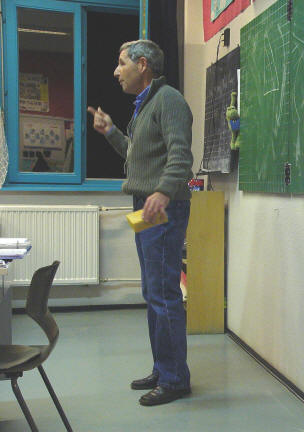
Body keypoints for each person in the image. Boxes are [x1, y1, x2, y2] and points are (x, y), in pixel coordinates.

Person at [88, 39, 193, 406]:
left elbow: (181, 155)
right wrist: (111, 132)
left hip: (163, 206)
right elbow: (138, 156)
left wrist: (163, 191)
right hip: (146, 206)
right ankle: (164, 368)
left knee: (163, 294)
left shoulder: (169, 100)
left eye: (122, 63)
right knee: (152, 291)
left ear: (143, 64)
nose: (116, 71)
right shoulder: (146, 105)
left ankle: (175, 379)